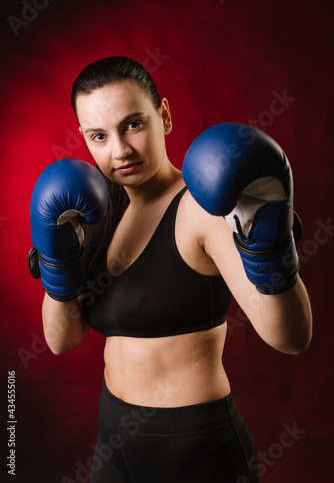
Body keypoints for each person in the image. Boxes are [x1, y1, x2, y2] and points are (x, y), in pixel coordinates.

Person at [29, 56, 312, 483]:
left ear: (163, 116)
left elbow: (291, 339)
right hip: (114, 444)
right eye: (99, 135)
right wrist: (58, 265)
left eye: (134, 124)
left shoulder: (202, 209)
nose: (119, 150)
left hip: (196, 450)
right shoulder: (94, 211)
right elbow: (60, 341)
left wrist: (269, 243)